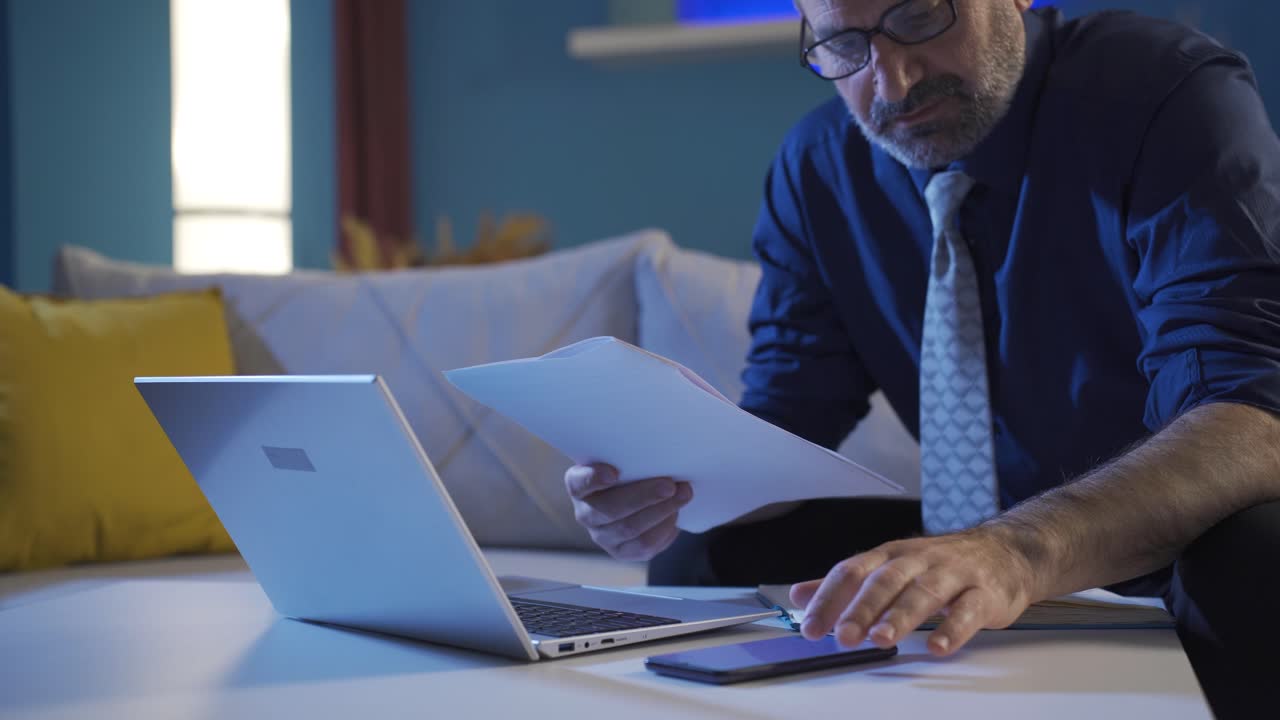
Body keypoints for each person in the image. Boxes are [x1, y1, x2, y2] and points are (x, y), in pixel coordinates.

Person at [565, 0, 1279, 715]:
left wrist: (1016, 550)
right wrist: (674, 482)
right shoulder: (820, 169)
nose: (894, 83)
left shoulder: (1166, 92)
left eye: (918, 18)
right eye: (843, 45)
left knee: (1254, 552)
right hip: (982, 533)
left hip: (1170, 537)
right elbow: (788, 420)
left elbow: (1252, 414)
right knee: (704, 555)